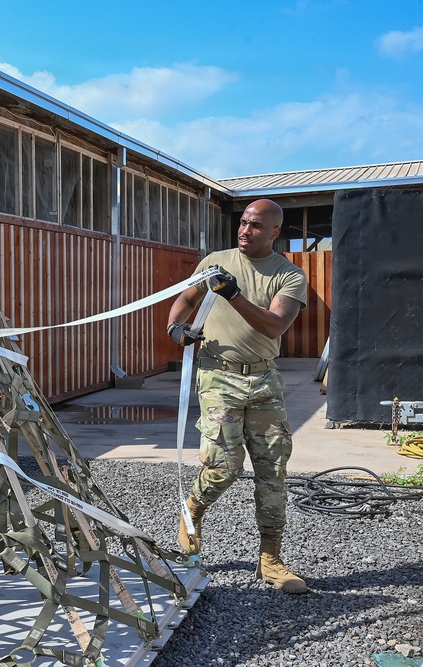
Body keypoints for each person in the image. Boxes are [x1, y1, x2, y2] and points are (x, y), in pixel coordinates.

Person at [166, 198, 309, 594]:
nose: (245, 231)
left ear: (275, 233)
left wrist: (233, 294)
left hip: (264, 382)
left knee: (273, 472)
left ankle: (271, 560)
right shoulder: (216, 261)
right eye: (243, 223)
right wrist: (176, 328)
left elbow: (275, 326)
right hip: (218, 376)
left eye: (256, 226)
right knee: (223, 468)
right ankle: (192, 511)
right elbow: (186, 300)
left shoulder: (289, 276)